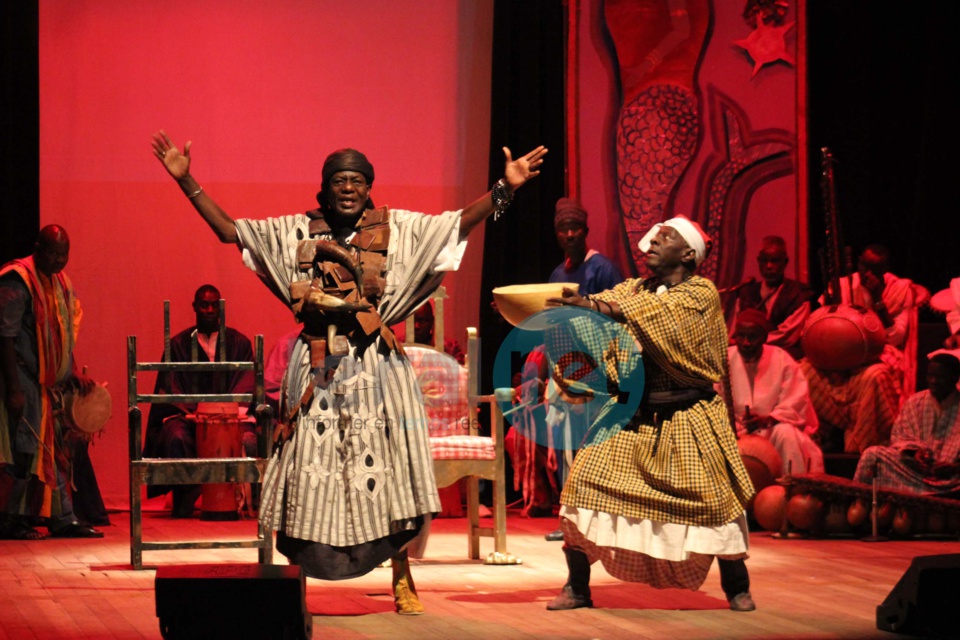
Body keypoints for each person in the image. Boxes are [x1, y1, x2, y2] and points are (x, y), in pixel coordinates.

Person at [152, 129, 546, 615]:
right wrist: (187, 181)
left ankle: (402, 576)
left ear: (368, 188)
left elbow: (454, 226)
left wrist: (504, 189)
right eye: (339, 180)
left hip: (378, 370)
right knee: (307, 475)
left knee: (390, 469)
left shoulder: (398, 230)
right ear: (325, 186)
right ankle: (295, 581)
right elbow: (232, 231)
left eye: (357, 181)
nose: (347, 188)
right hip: (318, 367)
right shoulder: (297, 232)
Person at [544, 215, 756, 612]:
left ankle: (737, 586)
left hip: (689, 415)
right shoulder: (634, 290)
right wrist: (546, 312)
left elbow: (657, 317)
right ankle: (576, 586)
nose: (653, 242)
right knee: (583, 487)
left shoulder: (700, 294)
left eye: (666, 237)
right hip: (634, 415)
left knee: (715, 503)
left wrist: (595, 306)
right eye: (655, 236)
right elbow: (608, 312)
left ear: (688, 253)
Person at [507, 197, 624, 537]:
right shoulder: (558, 274)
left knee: (591, 444)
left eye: (575, 229)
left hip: (594, 371)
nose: (570, 234)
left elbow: (617, 315)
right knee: (565, 443)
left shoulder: (602, 268)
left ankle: (597, 518)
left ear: (585, 232)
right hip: (563, 369)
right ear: (556, 234)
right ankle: (571, 518)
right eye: (563, 229)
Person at [0, 225, 104, 540]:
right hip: (21, 378)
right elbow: (5, 336)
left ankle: (60, 517)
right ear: (37, 248)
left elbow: (61, 335)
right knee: (25, 450)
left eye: (64, 254)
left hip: (46, 385)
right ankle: (8, 518)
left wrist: (70, 371)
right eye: (52, 253)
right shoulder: (17, 279)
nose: (59, 260)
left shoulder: (59, 281)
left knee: (53, 449)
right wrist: (15, 389)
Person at [142, 284, 257, 518]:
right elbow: (169, 387)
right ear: (195, 307)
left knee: (249, 438)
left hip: (230, 416)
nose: (209, 310)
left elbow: (247, 382)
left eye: (215, 305)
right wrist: (195, 413)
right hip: (188, 417)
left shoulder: (240, 343)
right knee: (175, 437)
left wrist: (220, 413)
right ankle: (185, 495)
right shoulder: (177, 344)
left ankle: (240, 502)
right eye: (204, 305)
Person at [799, 245, 915, 453]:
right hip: (840, 354)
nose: (867, 273)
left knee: (875, 376)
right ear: (858, 261)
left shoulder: (899, 290)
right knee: (804, 369)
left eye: (875, 268)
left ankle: (861, 444)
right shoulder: (842, 285)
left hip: (879, 354)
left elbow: (896, 338)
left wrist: (878, 298)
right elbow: (821, 322)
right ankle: (819, 435)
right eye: (864, 265)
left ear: (886, 268)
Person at [722, 309, 824, 475]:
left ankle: (794, 488)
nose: (746, 343)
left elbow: (795, 402)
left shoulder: (781, 359)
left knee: (787, 434)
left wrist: (768, 420)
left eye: (752, 337)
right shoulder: (723, 359)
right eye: (741, 336)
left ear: (764, 338)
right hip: (734, 429)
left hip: (773, 428)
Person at [853, 353, 960, 495]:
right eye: (930, 376)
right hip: (914, 473)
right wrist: (914, 453)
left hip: (952, 480)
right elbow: (900, 437)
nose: (933, 381)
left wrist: (955, 468)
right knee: (872, 455)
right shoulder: (915, 402)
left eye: (940, 377)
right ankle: (857, 502)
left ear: (955, 379)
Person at [731, 236, 813, 360]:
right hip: (748, 355)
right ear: (758, 261)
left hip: (784, 357)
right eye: (764, 260)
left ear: (785, 262)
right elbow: (736, 328)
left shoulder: (799, 294)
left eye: (774, 261)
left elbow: (788, 336)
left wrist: (756, 340)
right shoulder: (746, 292)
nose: (768, 266)